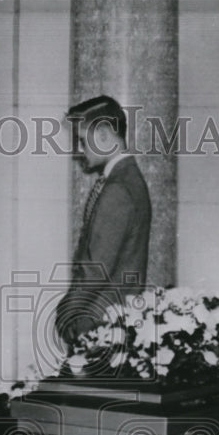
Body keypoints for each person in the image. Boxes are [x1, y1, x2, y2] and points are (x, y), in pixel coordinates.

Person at [55, 95, 151, 347]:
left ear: (104, 135)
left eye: (82, 140)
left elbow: (96, 268)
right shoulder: (127, 179)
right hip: (112, 318)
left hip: (100, 323)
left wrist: (66, 313)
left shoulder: (118, 189)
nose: (79, 150)